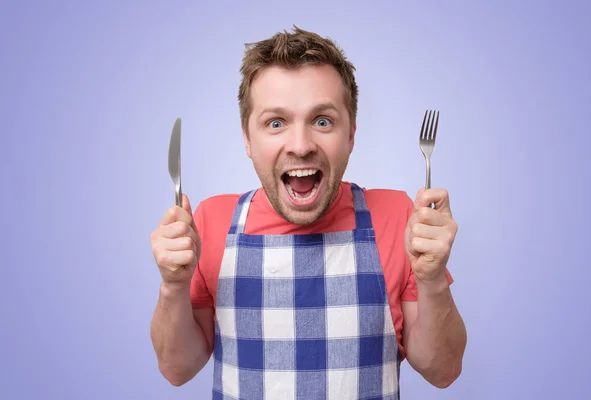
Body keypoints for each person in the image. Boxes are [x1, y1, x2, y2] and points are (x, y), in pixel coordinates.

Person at [149, 26, 467, 399]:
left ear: (350, 136)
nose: (300, 146)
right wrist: (173, 287)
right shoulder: (211, 222)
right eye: (276, 123)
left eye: (322, 121)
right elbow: (176, 369)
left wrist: (431, 281)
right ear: (248, 140)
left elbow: (443, 371)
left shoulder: (399, 217)